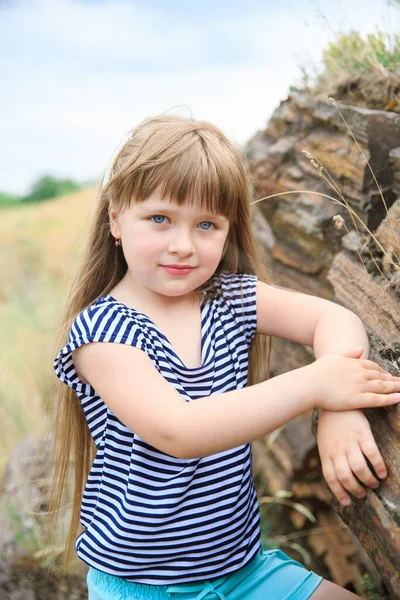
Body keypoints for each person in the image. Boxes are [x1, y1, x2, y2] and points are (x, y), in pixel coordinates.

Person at [50, 114, 400, 600]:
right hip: (141, 588)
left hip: (244, 572)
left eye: (207, 225)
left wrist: (341, 408)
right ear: (115, 218)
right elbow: (180, 430)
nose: (183, 246)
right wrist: (318, 384)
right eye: (159, 219)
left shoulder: (229, 298)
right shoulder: (102, 333)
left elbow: (332, 318)